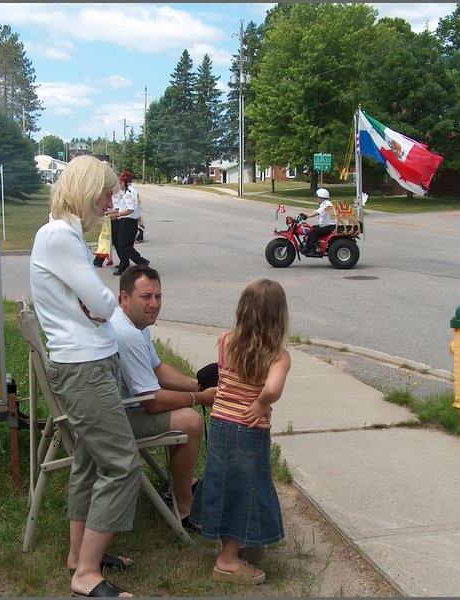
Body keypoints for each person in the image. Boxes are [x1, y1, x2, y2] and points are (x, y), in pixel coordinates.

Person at [29, 155, 140, 598]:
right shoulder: (59, 236)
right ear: (86, 187)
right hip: (84, 366)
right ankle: (86, 574)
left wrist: (98, 306)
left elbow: (96, 304)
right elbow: (102, 302)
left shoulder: (64, 235)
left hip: (88, 361)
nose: (110, 201)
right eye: (106, 192)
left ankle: (80, 554)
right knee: (121, 463)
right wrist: (101, 306)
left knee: (91, 462)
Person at [189, 278, 292, 586]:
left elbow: (223, 378)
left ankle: (234, 539)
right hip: (249, 431)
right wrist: (261, 402)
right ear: (279, 317)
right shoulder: (278, 356)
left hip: (220, 424)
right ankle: (228, 560)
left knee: (224, 481)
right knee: (245, 489)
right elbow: (272, 388)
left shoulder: (226, 341)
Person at [110, 265, 217, 526]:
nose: (154, 304)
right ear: (125, 298)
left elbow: (157, 369)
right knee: (190, 421)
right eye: (146, 297)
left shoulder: (133, 323)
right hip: (115, 420)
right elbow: (154, 402)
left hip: (119, 409)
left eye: (158, 296)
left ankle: (178, 484)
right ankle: (184, 509)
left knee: (183, 413)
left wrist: (197, 385)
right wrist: (200, 399)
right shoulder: (128, 335)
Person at [109, 171, 148, 275]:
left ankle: (141, 261)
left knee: (124, 246)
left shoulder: (128, 194)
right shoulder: (133, 191)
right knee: (126, 245)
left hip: (127, 221)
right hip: (131, 222)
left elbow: (130, 209)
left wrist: (117, 215)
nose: (119, 185)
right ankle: (124, 266)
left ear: (124, 182)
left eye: (120, 182)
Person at [300, 188, 336, 255]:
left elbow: (317, 212)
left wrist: (306, 216)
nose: (316, 199)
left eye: (317, 197)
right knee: (312, 228)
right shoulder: (325, 204)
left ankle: (310, 249)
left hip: (330, 227)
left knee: (314, 231)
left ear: (321, 197)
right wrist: (304, 215)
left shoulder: (327, 204)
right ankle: (315, 244)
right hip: (327, 226)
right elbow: (316, 211)